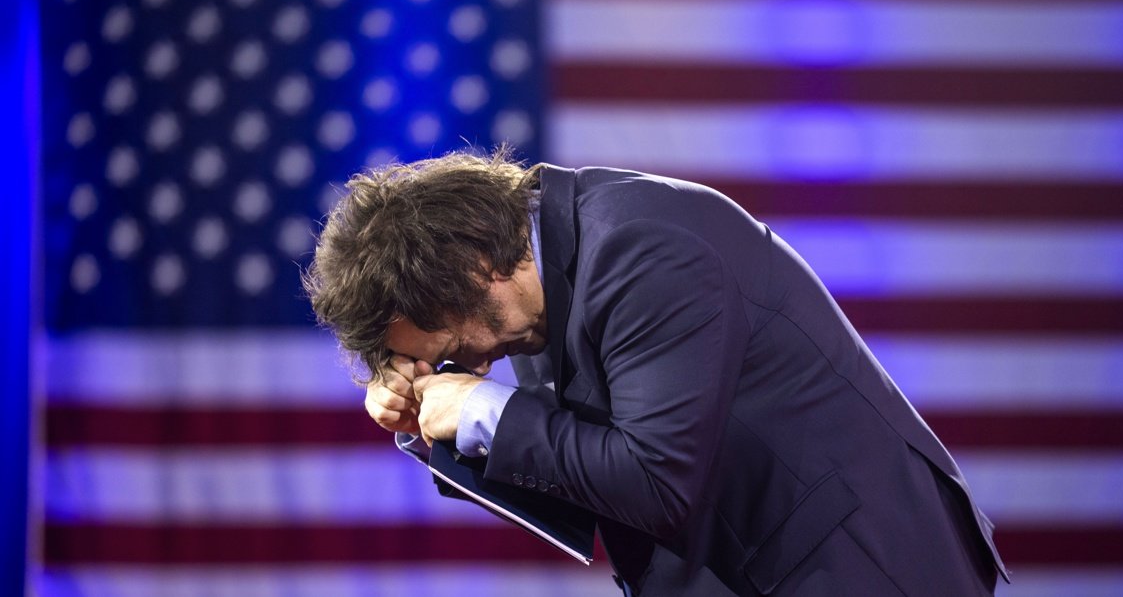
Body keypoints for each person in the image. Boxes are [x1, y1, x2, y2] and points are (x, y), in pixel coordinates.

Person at [303, 151, 1009, 596]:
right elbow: (582, 489)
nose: (464, 363)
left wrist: (482, 407)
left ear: (471, 269)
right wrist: (432, 420)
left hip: (861, 569)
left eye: (450, 344)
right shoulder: (541, 277)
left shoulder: (646, 252)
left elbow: (655, 483)